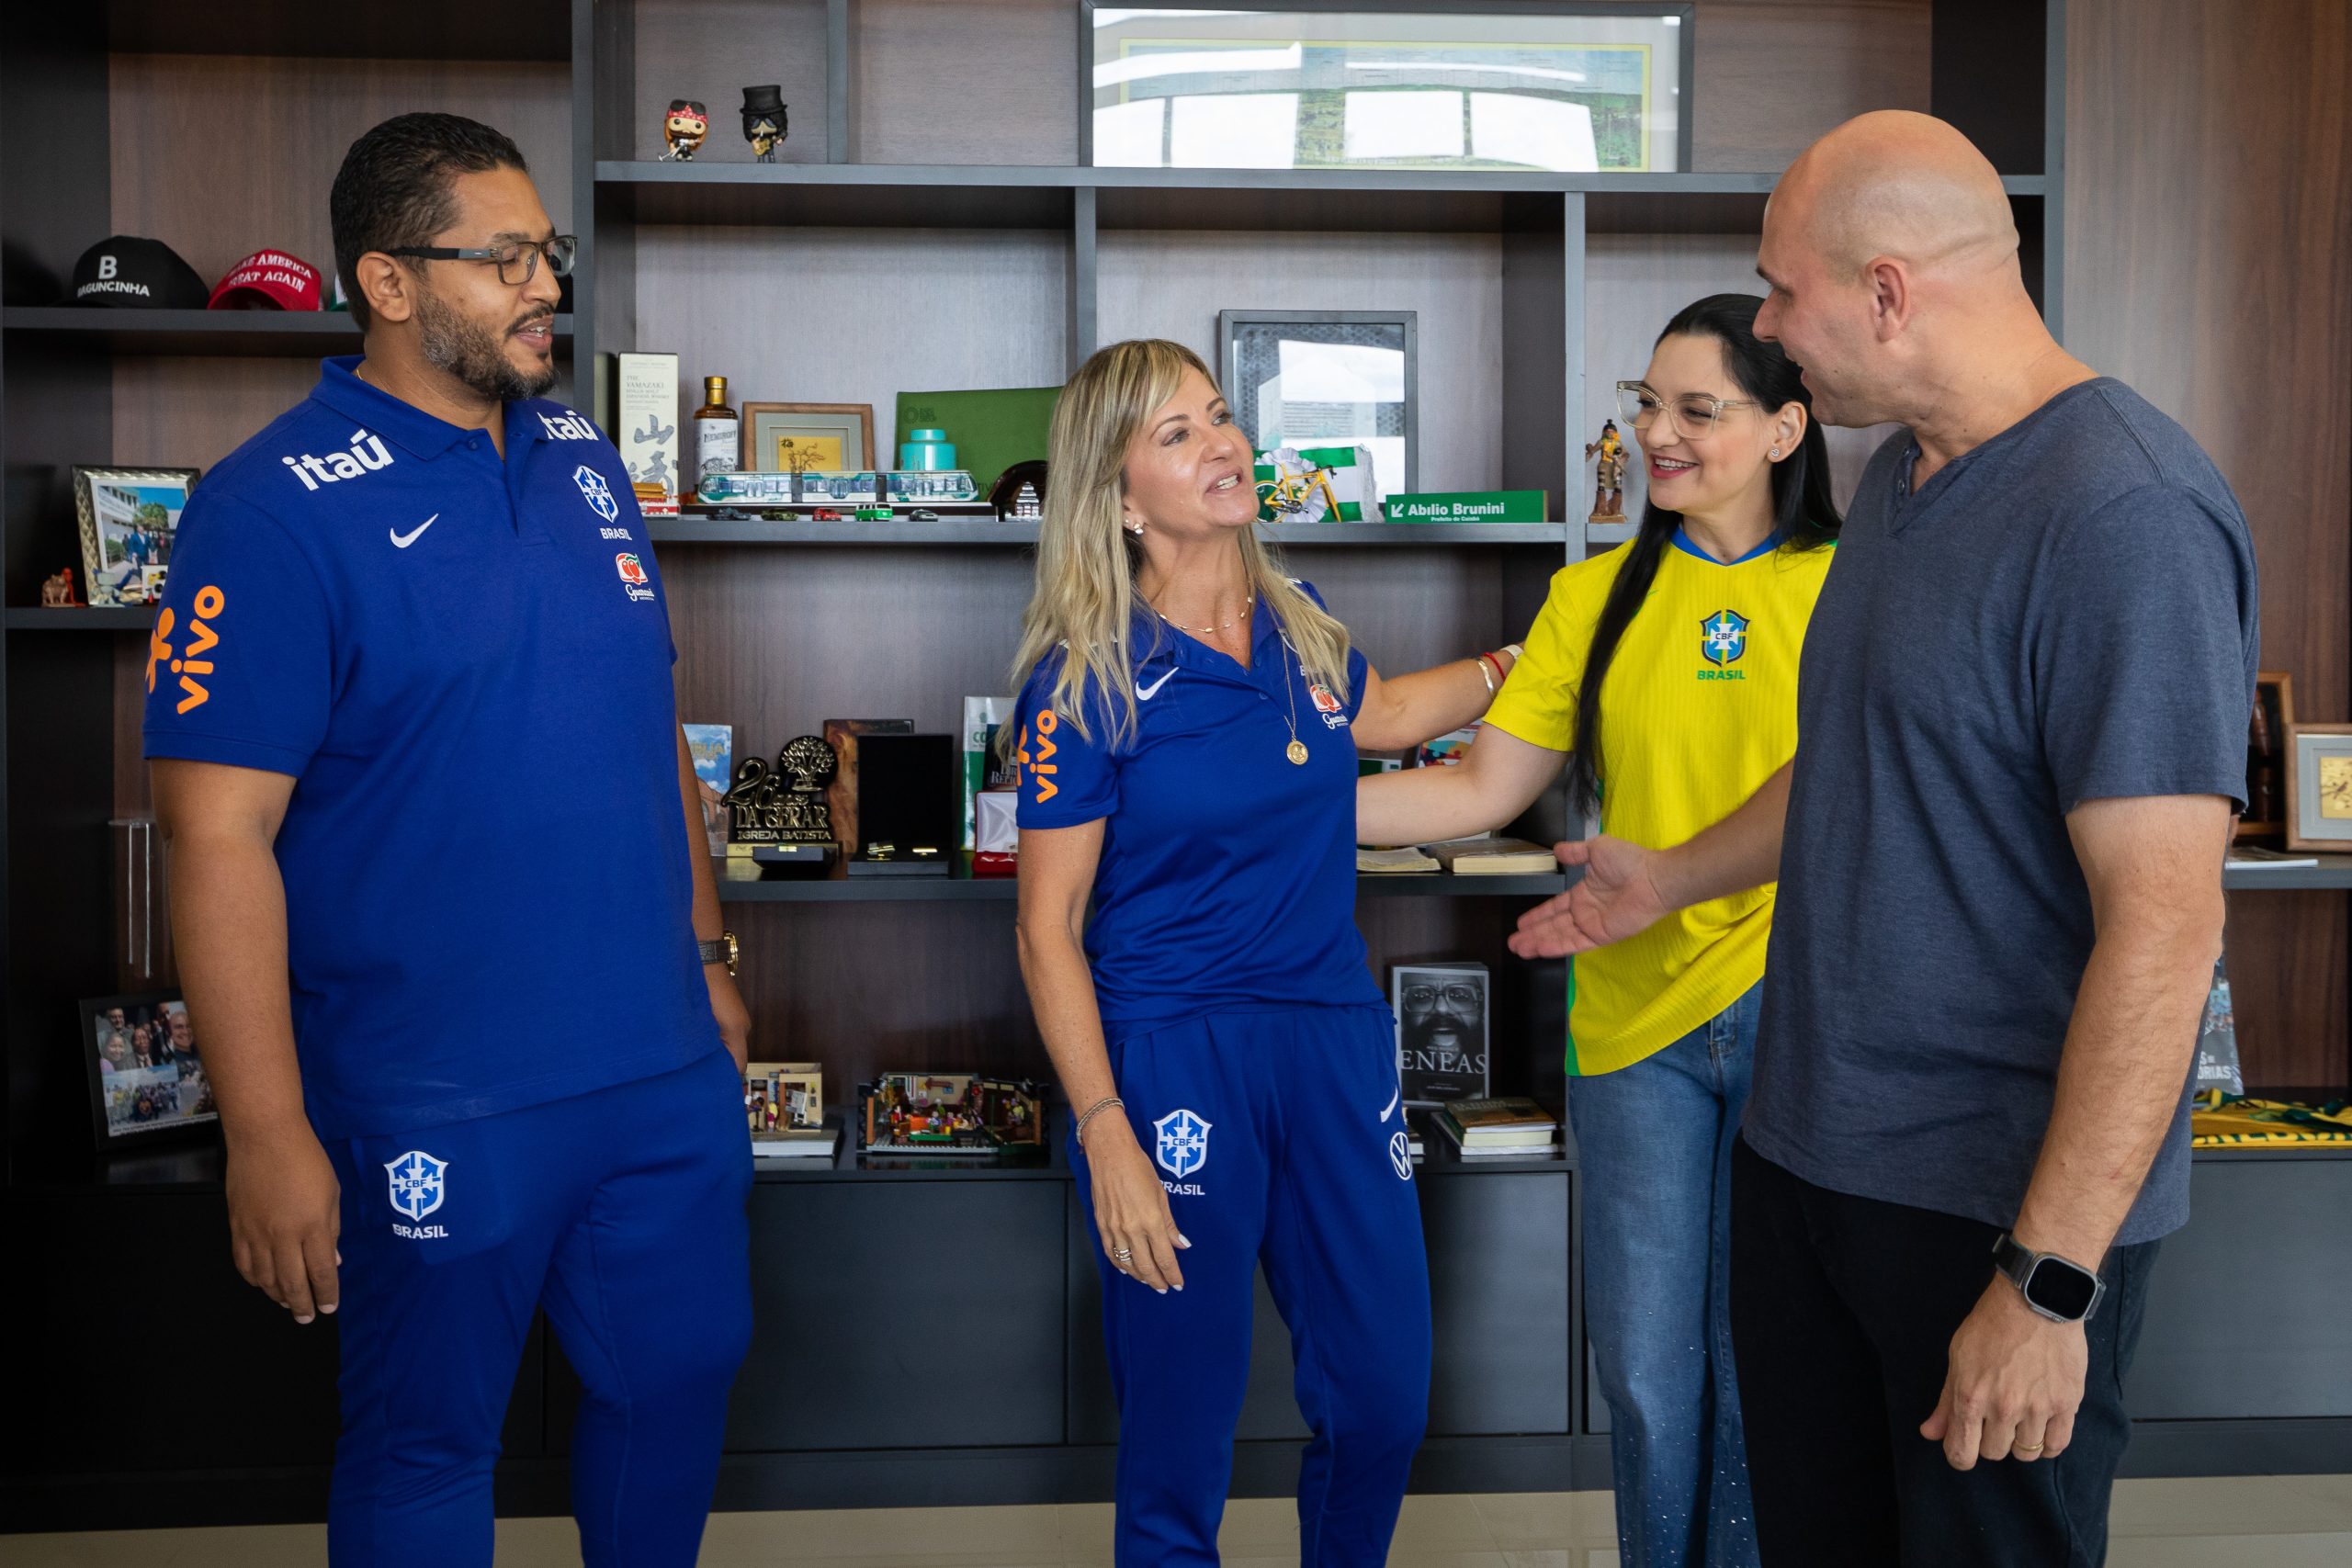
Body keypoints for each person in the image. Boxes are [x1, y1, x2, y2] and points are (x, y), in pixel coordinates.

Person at [1511, 111, 2256, 1567]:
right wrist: (1668, 878)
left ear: (1890, 292)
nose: (1770, 326)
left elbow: (2167, 927)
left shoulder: (2125, 512)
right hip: (1812, 1168)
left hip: (1983, 1213)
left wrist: (2047, 1284)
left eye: (1783, 292)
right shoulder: (1906, 483)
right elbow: (1858, 763)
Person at [143, 114, 753, 1568]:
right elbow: (214, 835)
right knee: (424, 1448)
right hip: (436, 1092)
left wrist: (709, 958)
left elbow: (649, 722)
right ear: (390, 281)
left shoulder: (584, 458)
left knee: (676, 1385)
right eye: (506, 259)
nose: (547, 285)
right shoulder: (264, 509)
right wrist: (266, 1132)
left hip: (657, 1066)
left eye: (550, 252)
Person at [1011, 338, 1521, 1566]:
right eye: (1176, 432)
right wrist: (1106, 1134)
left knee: (1384, 1397)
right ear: (1120, 497)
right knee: (1181, 1436)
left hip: (1334, 1041)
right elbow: (1045, 929)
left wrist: (1528, 662)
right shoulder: (1085, 682)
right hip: (1173, 1057)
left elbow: (1392, 719)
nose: (1222, 443)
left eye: (1220, 415)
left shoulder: (1305, 629)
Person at [1359, 294, 1837, 1568]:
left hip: (1806, 1014)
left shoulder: (1855, 588)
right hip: (1634, 1027)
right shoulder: (1591, 597)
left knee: (1760, 1360)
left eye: (1698, 410)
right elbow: (1477, 789)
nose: (1658, 435)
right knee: (1642, 1364)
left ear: (1786, 428)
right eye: (1646, 404)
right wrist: (1263, 805)